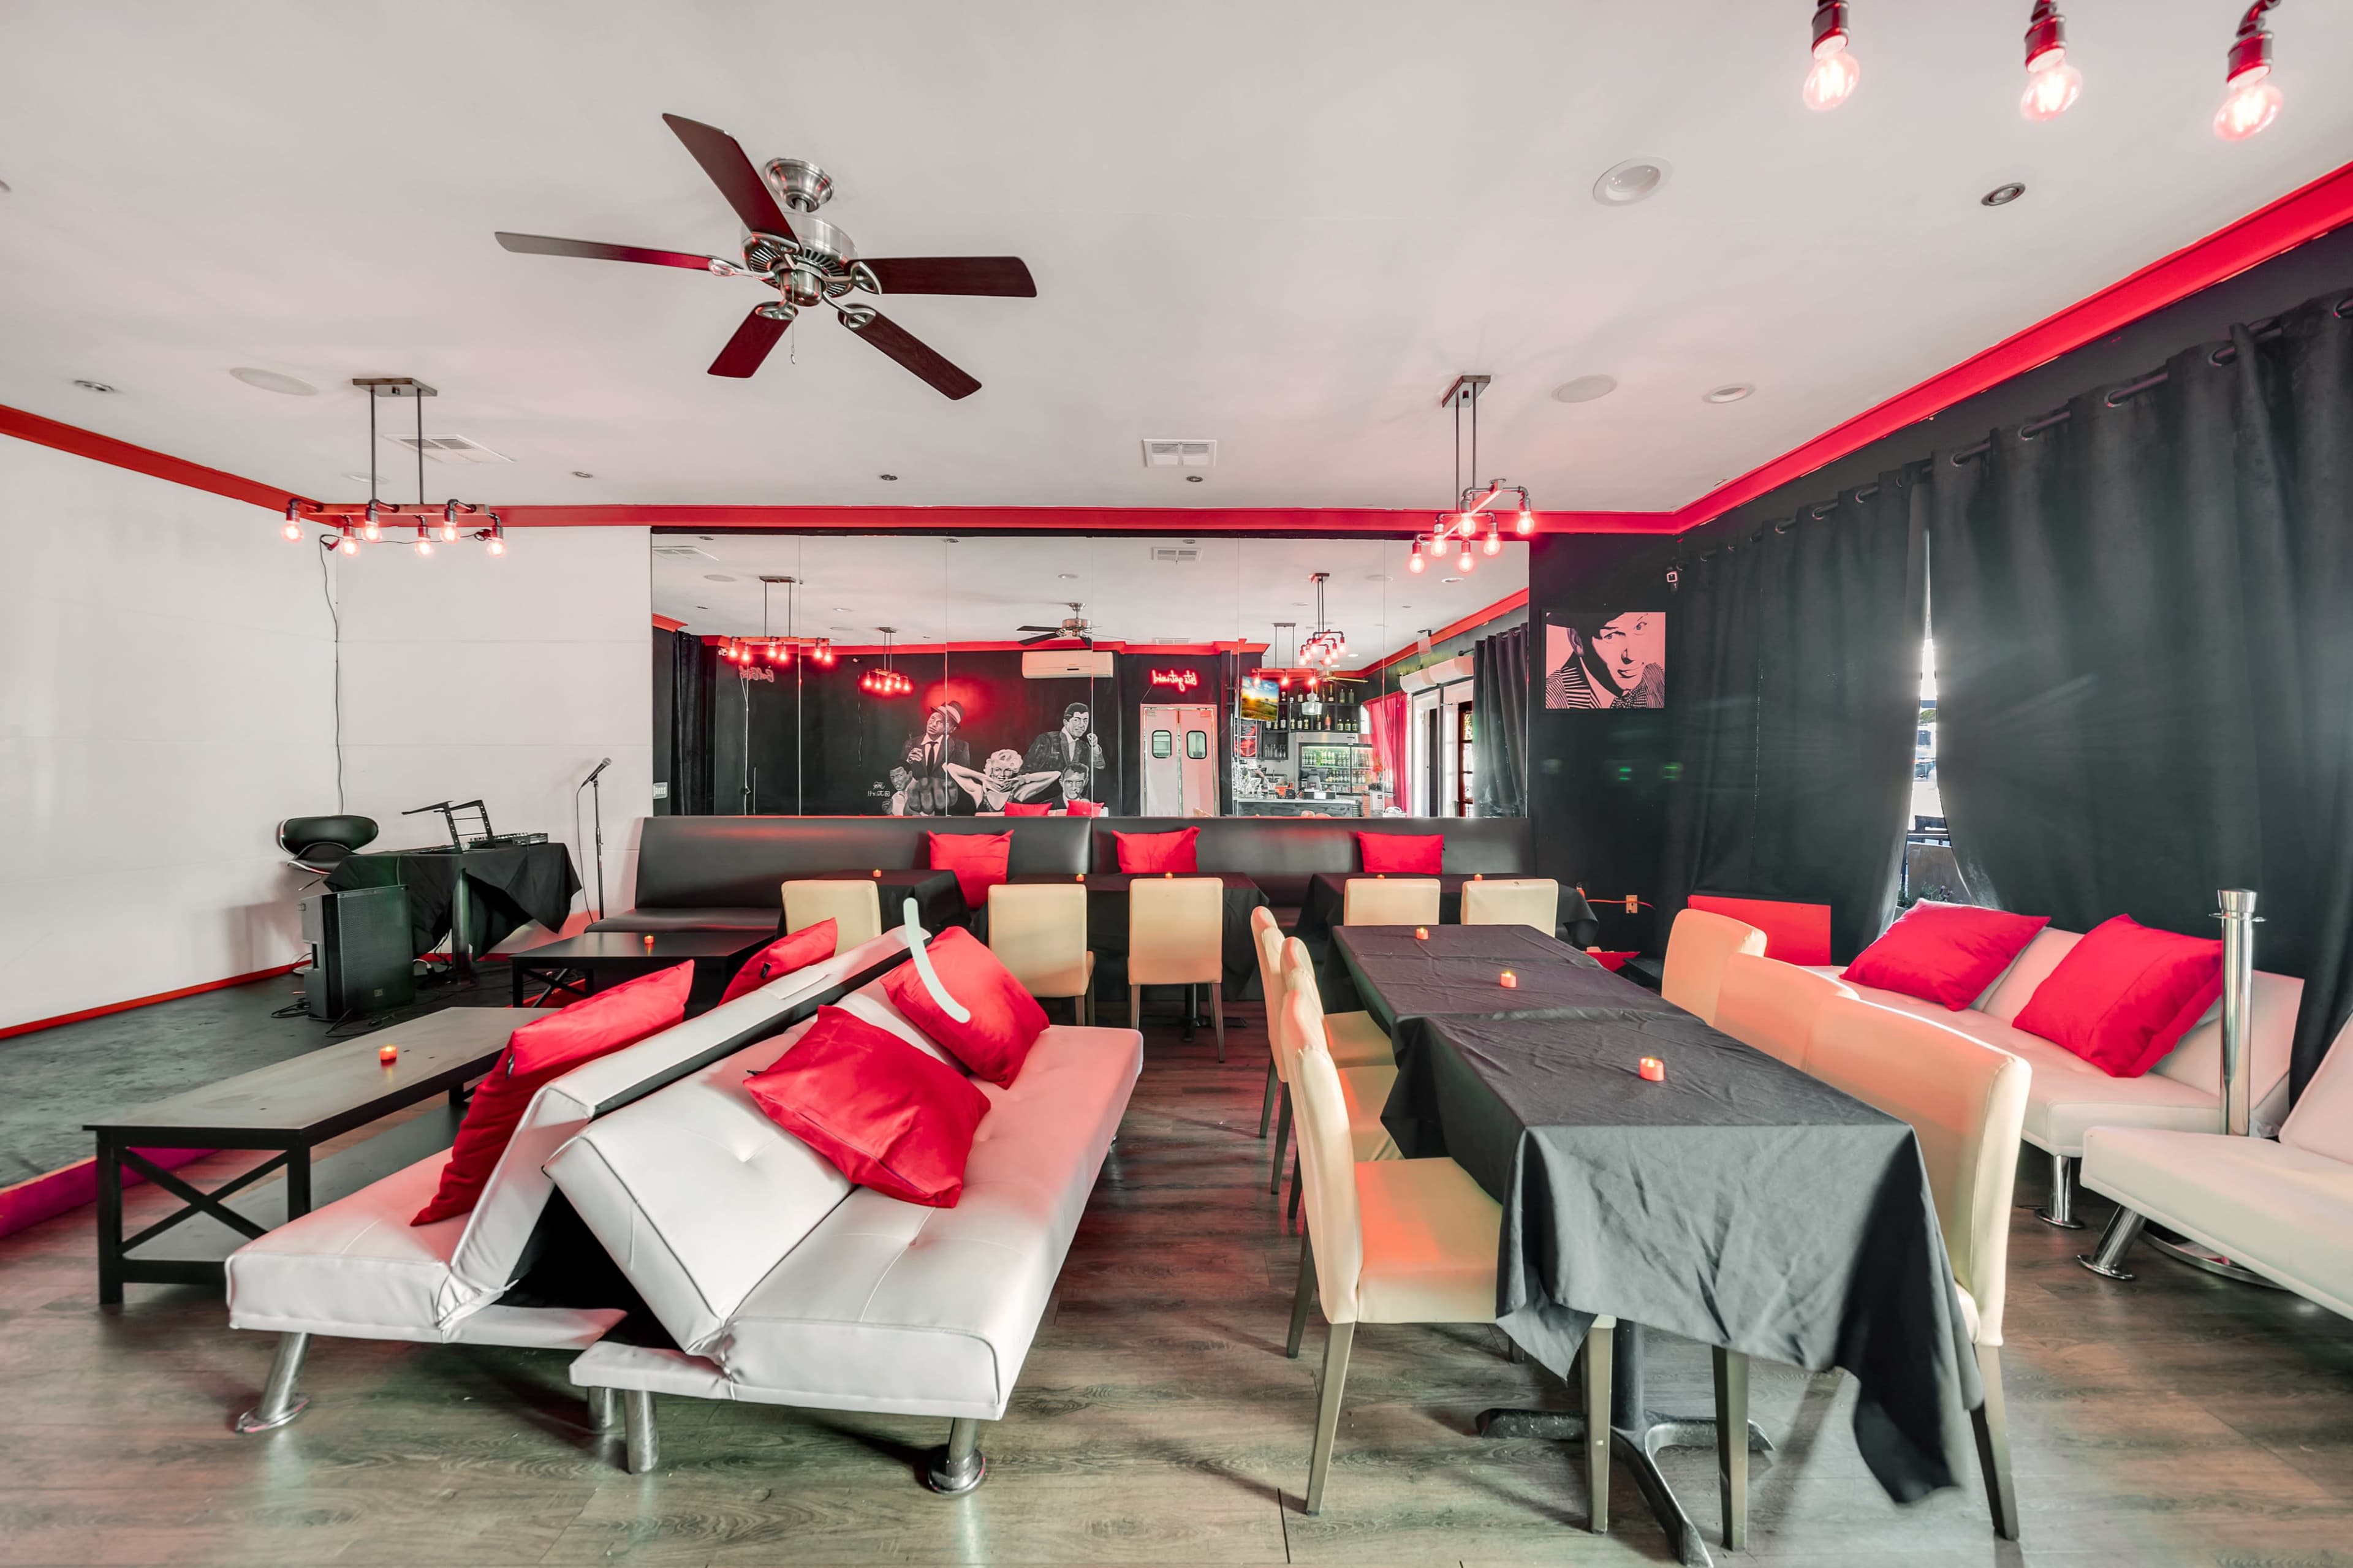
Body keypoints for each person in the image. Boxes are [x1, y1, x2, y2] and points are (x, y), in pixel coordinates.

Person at [1547, 612, 1665, 709]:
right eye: (1611, 636)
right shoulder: (1551, 699)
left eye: (1639, 627)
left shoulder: (1656, 676)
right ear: (1577, 641)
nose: (1632, 656)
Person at [1022, 700, 1107, 807]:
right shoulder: (1047, 740)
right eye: (1077, 720)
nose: (1082, 725)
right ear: (1066, 722)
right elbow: (1026, 771)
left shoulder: (1085, 746)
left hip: (1073, 806)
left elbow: (1100, 765)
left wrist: (1094, 747)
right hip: (1044, 805)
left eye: (1086, 721)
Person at [897, 700, 971, 814]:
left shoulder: (961, 747)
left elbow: (962, 781)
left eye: (941, 722)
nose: (933, 724)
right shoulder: (910, 744)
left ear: (952, 729)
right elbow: (899, 775)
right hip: (914, 807)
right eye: (932, 719)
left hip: (945, 807)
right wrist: (908, 762)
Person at [945, 749, 1062, 812]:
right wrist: (983, 777)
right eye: (997, 769)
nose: (1002, 774)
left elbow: (1055, 775)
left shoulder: (1018, 793)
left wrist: (1022, 779)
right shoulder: (979, 792)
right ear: (991, 769)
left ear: (1013, 771)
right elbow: (950, 767)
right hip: (983, 838)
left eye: (1007, 770)